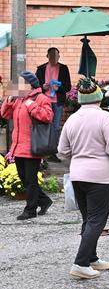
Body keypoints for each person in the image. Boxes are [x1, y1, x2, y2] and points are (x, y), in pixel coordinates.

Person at [57, 78, 109, 280]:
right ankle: (80, 263)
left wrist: (79, 157)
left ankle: (91, 258)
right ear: (99, 97)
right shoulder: (105, 118)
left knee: (89, 219)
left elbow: (62, 151)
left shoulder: (72, 119)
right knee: (97, 221)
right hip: (102, 178)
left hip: (78, 176)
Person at [1, 71, 54, 220]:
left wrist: (32, 106)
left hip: (33, 146)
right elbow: (5, 115)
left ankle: (30, 210)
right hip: (18, 146)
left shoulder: (41, 98)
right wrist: (10, 100)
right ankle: (44, 201)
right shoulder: (19, 99)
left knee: (30, 180)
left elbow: (48, 116)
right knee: (24, 179)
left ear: (29, 85)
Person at [36, 47, 72, 159]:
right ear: (47, 56)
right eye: (51, 56)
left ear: (59, 57)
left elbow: (68, 87)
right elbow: (35, 86)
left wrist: (58, 89)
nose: (54, 58)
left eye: (56, 56)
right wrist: (43, 87)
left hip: (57, 102)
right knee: (44, 125)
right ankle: (43, 150)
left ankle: (53, 152)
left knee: (56, 127)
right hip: (44, 101)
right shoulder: (41, 69)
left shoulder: (64, 69)